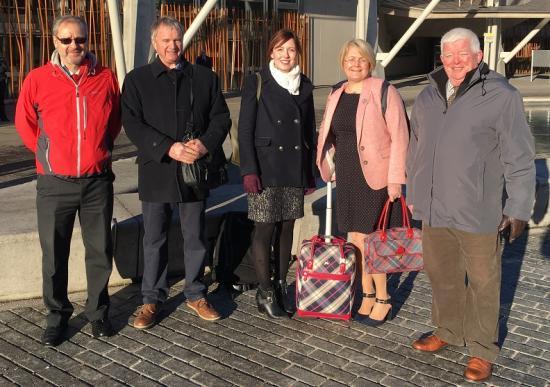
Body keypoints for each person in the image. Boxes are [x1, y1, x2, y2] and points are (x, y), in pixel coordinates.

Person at [407, 28, 535, 382]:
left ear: (479, 56)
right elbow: (415, 148)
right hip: (434, 207)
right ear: (441, 58)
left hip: (478, 208)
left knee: (483, 281)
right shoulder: (428, 96)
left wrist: (519, 208)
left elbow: (519, 156)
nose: (455, 62)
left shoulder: (501, 95)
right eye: (448, 55)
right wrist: (414, 192)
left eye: (462, 54)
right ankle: (448, 330)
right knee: (441, 275)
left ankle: (482, 349)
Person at [15, 15, 121, 346]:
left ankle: (98, 313)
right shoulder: (37, 79)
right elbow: (24, 122)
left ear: (88, 41)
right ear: (55, 42)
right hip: (54, 184)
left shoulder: (105, 78)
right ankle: (56, 316)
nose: (74, 45)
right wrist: (48, 156)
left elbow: (114, 120)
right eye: (67, 40)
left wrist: (97, 151)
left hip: (96, 182)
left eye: (80, 39)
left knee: (100, 250)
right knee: (53, 254)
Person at [121, 17, 230, 328]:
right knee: (154, 238)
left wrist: (204, 144)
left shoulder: (204, 78)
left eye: (177, 40)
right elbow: (133, 124)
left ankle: (195, 292)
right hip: (157, 170)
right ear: (155, 44)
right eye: (166, 41)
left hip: (194, 170)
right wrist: (167, 147)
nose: (172, 46)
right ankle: (151, 300)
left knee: (194, 235)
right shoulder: (137, 80)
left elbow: (221, 118)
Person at [316, 38, 409, 326]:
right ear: (342, 62)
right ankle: (366, 295)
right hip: (347, 175)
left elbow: (400, 137)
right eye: (349, 59)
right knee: (355, 239)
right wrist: (327, 161)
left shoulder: (384, 90)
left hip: (375, 178)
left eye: (361, 59)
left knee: (373, 240)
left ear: (370, 62)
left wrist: (396, 181)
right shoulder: (336, 92)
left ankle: (384, 298)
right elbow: (332, 132)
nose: (355, 64)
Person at [238, 29, 316, 318]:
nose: (286, 55)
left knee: (287, 228)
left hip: (293, 166)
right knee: (265, 227)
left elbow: (309, 132)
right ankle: (265, 290)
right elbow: (244, 130)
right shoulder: (257, 81)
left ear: (297, 54)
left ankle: (282, 284)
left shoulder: (305, 86)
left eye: (291, 50)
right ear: (271, 52)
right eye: (280, 49)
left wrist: (309, 172)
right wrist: (249, 171)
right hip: (265, 167)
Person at [0, 55, 9, 121]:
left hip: (1, 81)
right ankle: (3, 117)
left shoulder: (2, 58)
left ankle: (3, 117)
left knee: (1, 100)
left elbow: (6, 68)